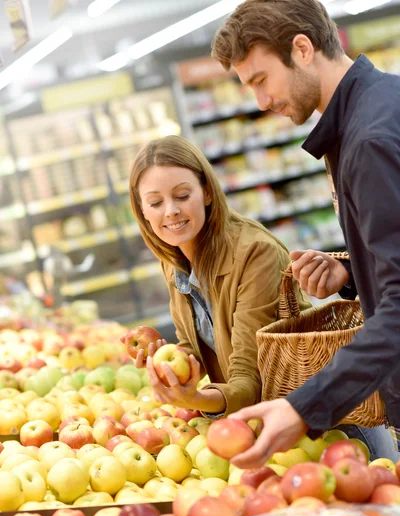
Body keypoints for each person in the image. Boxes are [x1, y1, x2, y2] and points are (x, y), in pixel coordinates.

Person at [211, 0, 400, 466]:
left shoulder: (368, 140)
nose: (260, 102)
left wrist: (304, 406)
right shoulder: (379, 105)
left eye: (260, 80)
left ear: (302, 48)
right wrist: (352, 272)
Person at [129, 135, 310, 416]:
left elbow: (249, 379)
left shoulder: (255, 253)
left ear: (208, 192)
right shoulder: (174, 257)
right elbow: (201, 344)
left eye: (182, 195)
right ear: (142, 210)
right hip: (262, 424)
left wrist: (194, 399)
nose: (171, 210)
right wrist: (171, 364)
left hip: (318, 421)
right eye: (155, 202)